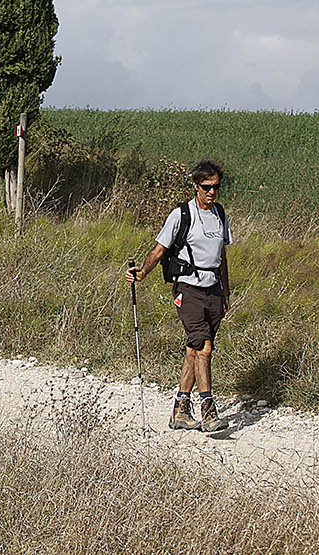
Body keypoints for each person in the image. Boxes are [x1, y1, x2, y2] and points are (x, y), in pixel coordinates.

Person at [126, 159, 232, 433]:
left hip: (213, 290)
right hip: (188, 287)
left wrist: (226, 292)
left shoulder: (220, 214)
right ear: (195, 186)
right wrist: (142, 273)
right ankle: (208, 410)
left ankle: (180, 410)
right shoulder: (181, 214)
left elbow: (221, 256)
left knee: (193, 350)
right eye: (207, 187)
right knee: (204, 348)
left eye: (216, 187)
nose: (212, 192)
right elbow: (159, 249)